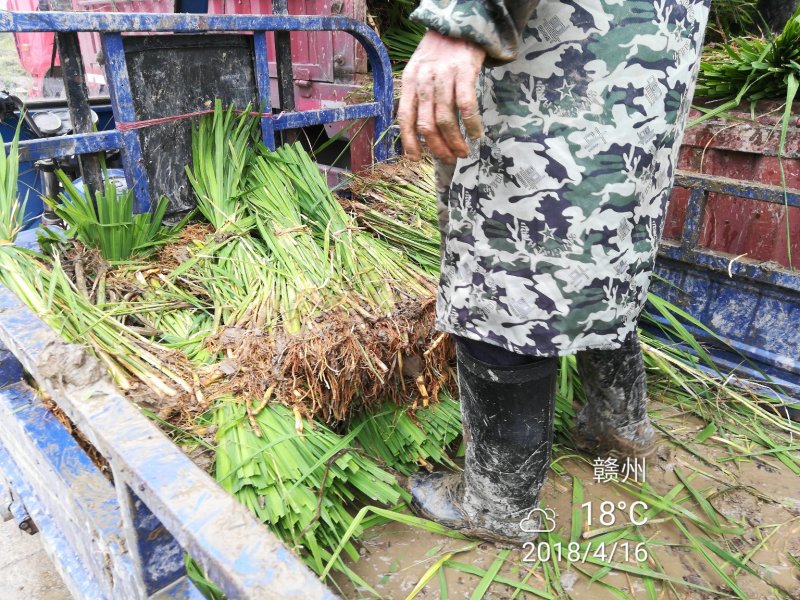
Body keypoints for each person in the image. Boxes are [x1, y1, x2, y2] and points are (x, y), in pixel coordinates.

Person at [397, 0, 711, 547]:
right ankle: (619, 431)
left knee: (512, 265)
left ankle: (497, 506)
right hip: (656, 37)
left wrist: (465, 22)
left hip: (556, 50)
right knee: (603, 243)